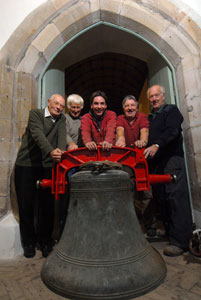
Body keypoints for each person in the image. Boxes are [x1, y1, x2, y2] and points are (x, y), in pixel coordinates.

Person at [15, 94, 66, 258]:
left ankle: (45, 241)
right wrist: (52, 152)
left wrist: (59, 152)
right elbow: (38, 136)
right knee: (26, 205)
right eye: (56, 103)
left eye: (61, 106)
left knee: (48, 206)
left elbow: (61, 138)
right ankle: (28, 242)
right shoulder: (35, 114)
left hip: (47, 165)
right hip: (27, 165)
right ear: (49, 102)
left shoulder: (61, 119)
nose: (58, 107)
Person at [144, 85, 192, 257]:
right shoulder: (151, 117)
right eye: (151, 97)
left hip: (172, 160)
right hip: (158, 163)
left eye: (157, 95)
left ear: (163, 96)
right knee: (163, 198)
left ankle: (181, 241)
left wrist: (157, 144)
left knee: (176, 197)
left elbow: (172, 132)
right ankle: (172, 232)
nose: (154, 99)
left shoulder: (171, 111)